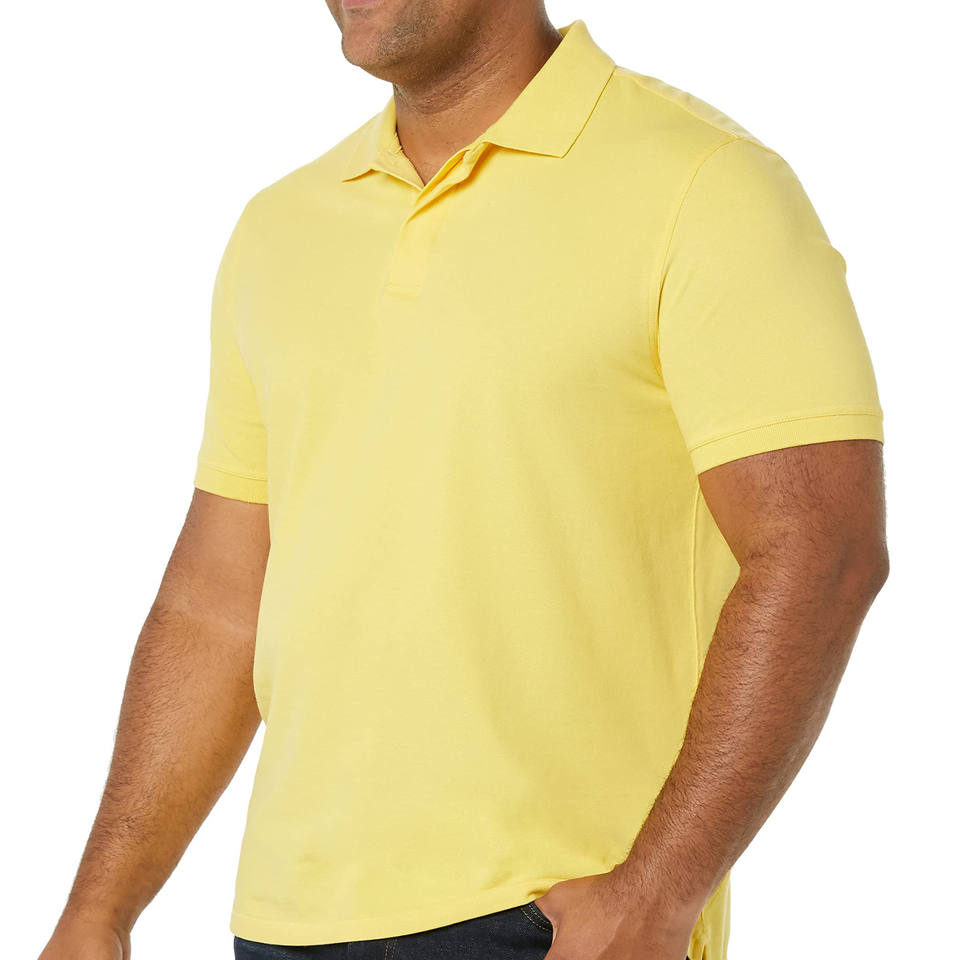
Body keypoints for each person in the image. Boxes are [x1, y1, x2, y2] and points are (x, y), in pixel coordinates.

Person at [38, 2, 889, 959]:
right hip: (287, 921)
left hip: (557, 918)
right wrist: (99, 909)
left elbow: (822, 551)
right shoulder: (280, 227)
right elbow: (218, 600)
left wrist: (656, 893)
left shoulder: (704, 183)